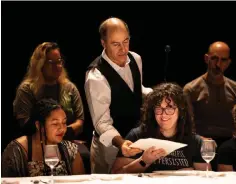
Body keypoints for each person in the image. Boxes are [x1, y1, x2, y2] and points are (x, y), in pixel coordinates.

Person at [85, 17, 152, 173]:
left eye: (126, 41)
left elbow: (135, 89)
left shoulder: (136, 59)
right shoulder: (96, 76)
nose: (123, 49)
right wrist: (121, 143)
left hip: (135, 140)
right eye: (116, 44)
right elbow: (102, 122)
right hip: (109, 149)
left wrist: (158, 94)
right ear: (103, 43)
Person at [13, 42, 90, 173]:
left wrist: (61, 132)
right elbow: (25, 123)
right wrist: (52, 136)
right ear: (40, 64)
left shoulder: (69, 88)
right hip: (36, 143)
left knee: (84, 154)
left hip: (66, 141)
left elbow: (80, 121)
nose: (58, 66)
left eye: (59, 61)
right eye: (52, 62)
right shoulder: (27, 90)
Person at [111, 83, 208, 173]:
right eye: (158, 109)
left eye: (170, 108)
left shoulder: (194, 141)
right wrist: (143, 161)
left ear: (181, 111)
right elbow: (116, 173)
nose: (163, 115)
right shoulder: (138, 135)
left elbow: (206, 178)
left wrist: (190, 174)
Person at [2, 99, 85, 177]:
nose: (62, 128)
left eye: (64, 122)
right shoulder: (17, 150)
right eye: (55, 124)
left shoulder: (70, 150)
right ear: (39, 125)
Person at [183, 41, 236, 146]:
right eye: (214, 58)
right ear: (207, 59)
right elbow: (186, 125)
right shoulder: (191, 89)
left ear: (228, 63)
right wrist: (200, 140)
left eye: (223, 60)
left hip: (231, 144)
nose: (218, 64)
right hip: (201, 143)